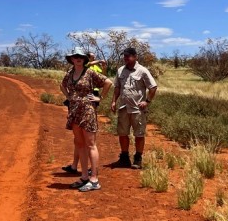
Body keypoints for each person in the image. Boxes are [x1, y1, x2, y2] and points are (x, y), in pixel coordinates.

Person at [60, 47, 112, 192]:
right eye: (75, 56)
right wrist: (69, 97)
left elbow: (108, 82)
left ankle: (94, 179)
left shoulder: (90, 72)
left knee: (90, 144)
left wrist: (100, 98)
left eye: (81, 57)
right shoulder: (70, 73)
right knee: (80, 143)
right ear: (71, 59)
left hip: (87, 111)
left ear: (84, 59)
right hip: (74, 111)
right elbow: (62, 85)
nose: (78, 58)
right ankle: (84, 177)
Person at [110, 47, 158, 170]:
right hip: (123, 107)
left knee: (139, 134)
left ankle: (138, 158)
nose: (126, 58)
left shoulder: (142, 71)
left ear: (135, 56)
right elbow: (117, 87)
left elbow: (153, 87)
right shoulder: (120, 70)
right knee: (122, 133)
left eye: (128, 56)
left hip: (137, 109)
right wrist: (114, 101)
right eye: (124, 56)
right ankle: (124, 157)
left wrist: (146, 101)